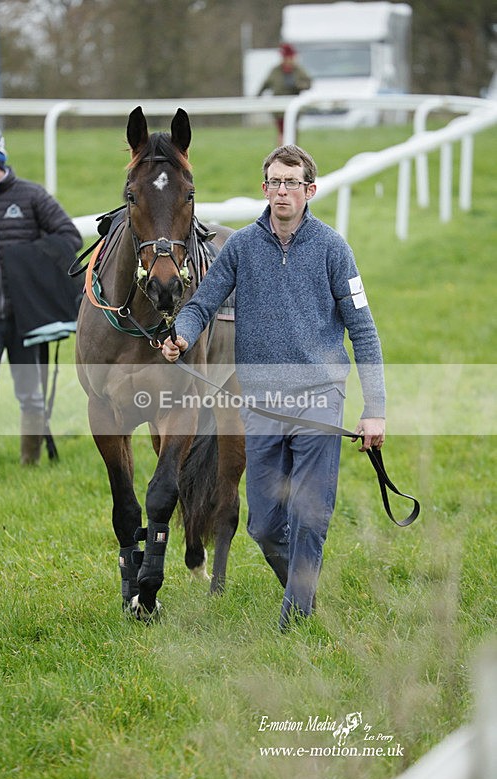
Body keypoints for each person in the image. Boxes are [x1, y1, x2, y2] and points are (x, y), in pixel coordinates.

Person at [161, 144, 386, 630]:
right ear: (265, 189)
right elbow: (201, 304)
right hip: (260, 406)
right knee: (263, 526)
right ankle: (304, 593)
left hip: (319, 402)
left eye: (292, 183)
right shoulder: (241, 247)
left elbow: (363, 330)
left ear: (310, 190)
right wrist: (181, 332)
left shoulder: (333, 249)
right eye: (275, 183)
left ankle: (296, 621)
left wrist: (376, 409)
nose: (283, 191)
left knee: (310, 516)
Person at [0, 125, 82, 482]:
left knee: (29, 392)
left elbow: (69, 237)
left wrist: (24, 258)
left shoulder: (31, 196)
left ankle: (29, 463)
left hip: (26, 315)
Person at [257, 43, 311, 144]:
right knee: (282, 132)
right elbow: (265, 84)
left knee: (292, 132)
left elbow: (308, 83)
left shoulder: (298, 70)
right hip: (279, 108)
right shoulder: (276, 71)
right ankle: (281, 153)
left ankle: (292, 153)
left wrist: (297, 85)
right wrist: (257, 98)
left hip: (293, 106)